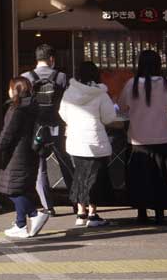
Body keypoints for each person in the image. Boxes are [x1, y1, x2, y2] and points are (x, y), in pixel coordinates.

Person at [118, 50, 167, 225]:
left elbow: (122, 107)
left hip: (138, 140)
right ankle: (160, 213)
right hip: (162, 138)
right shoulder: (166, 83)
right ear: (158, 65)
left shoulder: (131, 83)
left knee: (140, 178)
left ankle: (142, 213)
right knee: (161, 177)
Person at [0, 77, 49, 239]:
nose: (9, 91)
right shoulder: (33, 106)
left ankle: (34, 214)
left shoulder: (17, 109)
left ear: (15, 90)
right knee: (22, 189)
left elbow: (7, 135)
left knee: (11, 190)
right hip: (30, 153)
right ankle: (20, 224)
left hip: (16, 155)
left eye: (10, 88)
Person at [59, 61, 117, 227]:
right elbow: (109, 117)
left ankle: (80, 213)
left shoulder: (70, 92)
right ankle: (92, 215)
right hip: (95, 142)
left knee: (79, 176)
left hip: (75, 141)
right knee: (94, 179)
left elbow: (63, 113)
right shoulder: (100, 93)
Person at [21, 43, 70, 216]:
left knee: (40, 167)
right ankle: (78, 202)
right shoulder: (62, 77)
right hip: (58, 126)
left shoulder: (26, 77)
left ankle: (48, 206)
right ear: (51, 59)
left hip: (36, 128)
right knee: (66, 163)